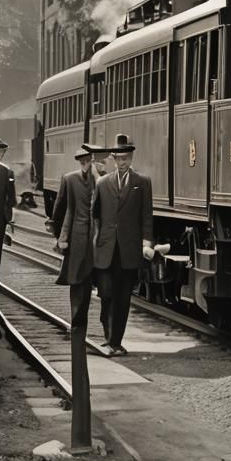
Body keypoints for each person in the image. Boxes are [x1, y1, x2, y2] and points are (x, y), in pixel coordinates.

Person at [91, 134, 154, 356]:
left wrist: (146, 243)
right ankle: (108, 336)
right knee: (106, 294)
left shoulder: (142, 183)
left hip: (128, 250)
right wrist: (95, 242)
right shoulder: (102, 183)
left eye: (125, 158)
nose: (122, 162)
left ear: (131, 158)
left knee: (123, 297)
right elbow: (95, 215)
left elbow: (147, 216)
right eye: (118, 159)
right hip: (105, 249)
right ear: (113, 159)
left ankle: (115, 341)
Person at [53, 147, 101, 339]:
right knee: (79, 286)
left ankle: (108, 335)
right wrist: (61, 238)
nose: (86, 164)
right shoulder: (70, 179)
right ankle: (77, 327)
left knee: (102, 287)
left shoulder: (104, 180)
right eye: (84, 161)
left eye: (89, 160)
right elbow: (62, 210)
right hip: (78, 241)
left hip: (99, 241)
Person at [0, 133, 17, 344]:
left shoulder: (7, 173)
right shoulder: (5, 172)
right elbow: (10, 202)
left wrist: (6, 219)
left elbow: (11, 201)